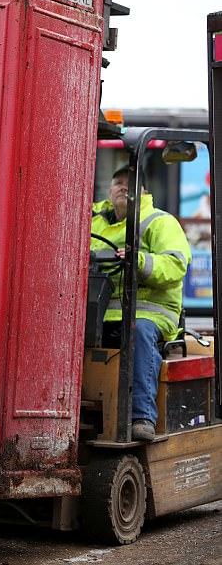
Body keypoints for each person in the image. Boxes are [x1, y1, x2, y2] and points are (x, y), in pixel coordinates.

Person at [91, 165, 191, 441]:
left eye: (130, 183)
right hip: (100, 313)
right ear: (109, 191)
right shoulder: (93, 222)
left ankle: (142, 416)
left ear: (143, 191)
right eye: (117, 182)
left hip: (150, 314)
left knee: (139, 330)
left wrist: (138, 259)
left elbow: (175, 265)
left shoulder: (160, 222)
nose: (123, 187)